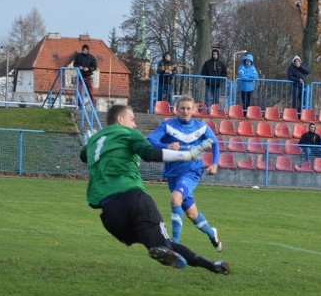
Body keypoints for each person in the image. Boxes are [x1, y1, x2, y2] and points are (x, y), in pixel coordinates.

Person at [80, 104, 229, 274]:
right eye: (132, 120)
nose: (135, 125)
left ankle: (211, 265)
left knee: (160, 242)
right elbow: (149, 153)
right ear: (120, 120)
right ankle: (164, 249)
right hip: (132, 199)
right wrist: (187, 155)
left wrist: (90, 143)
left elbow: (83, 156)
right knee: (162, 244)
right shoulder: (129, 133)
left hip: (111, 216)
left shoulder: (93, 141)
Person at [147, 95, 223, 251]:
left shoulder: (201, 127)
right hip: (173, 173)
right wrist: (166, 145)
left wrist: (215, 163)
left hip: (192, 171)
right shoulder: (168, 126)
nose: (186, 111)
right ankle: (212, 233)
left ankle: (174, 244)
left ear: (193, 109)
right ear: (176, 109)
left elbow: (215, 143)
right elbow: (150, 140)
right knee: (192, 214)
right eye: (182, 108)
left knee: (175, 198)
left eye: (189, 108)